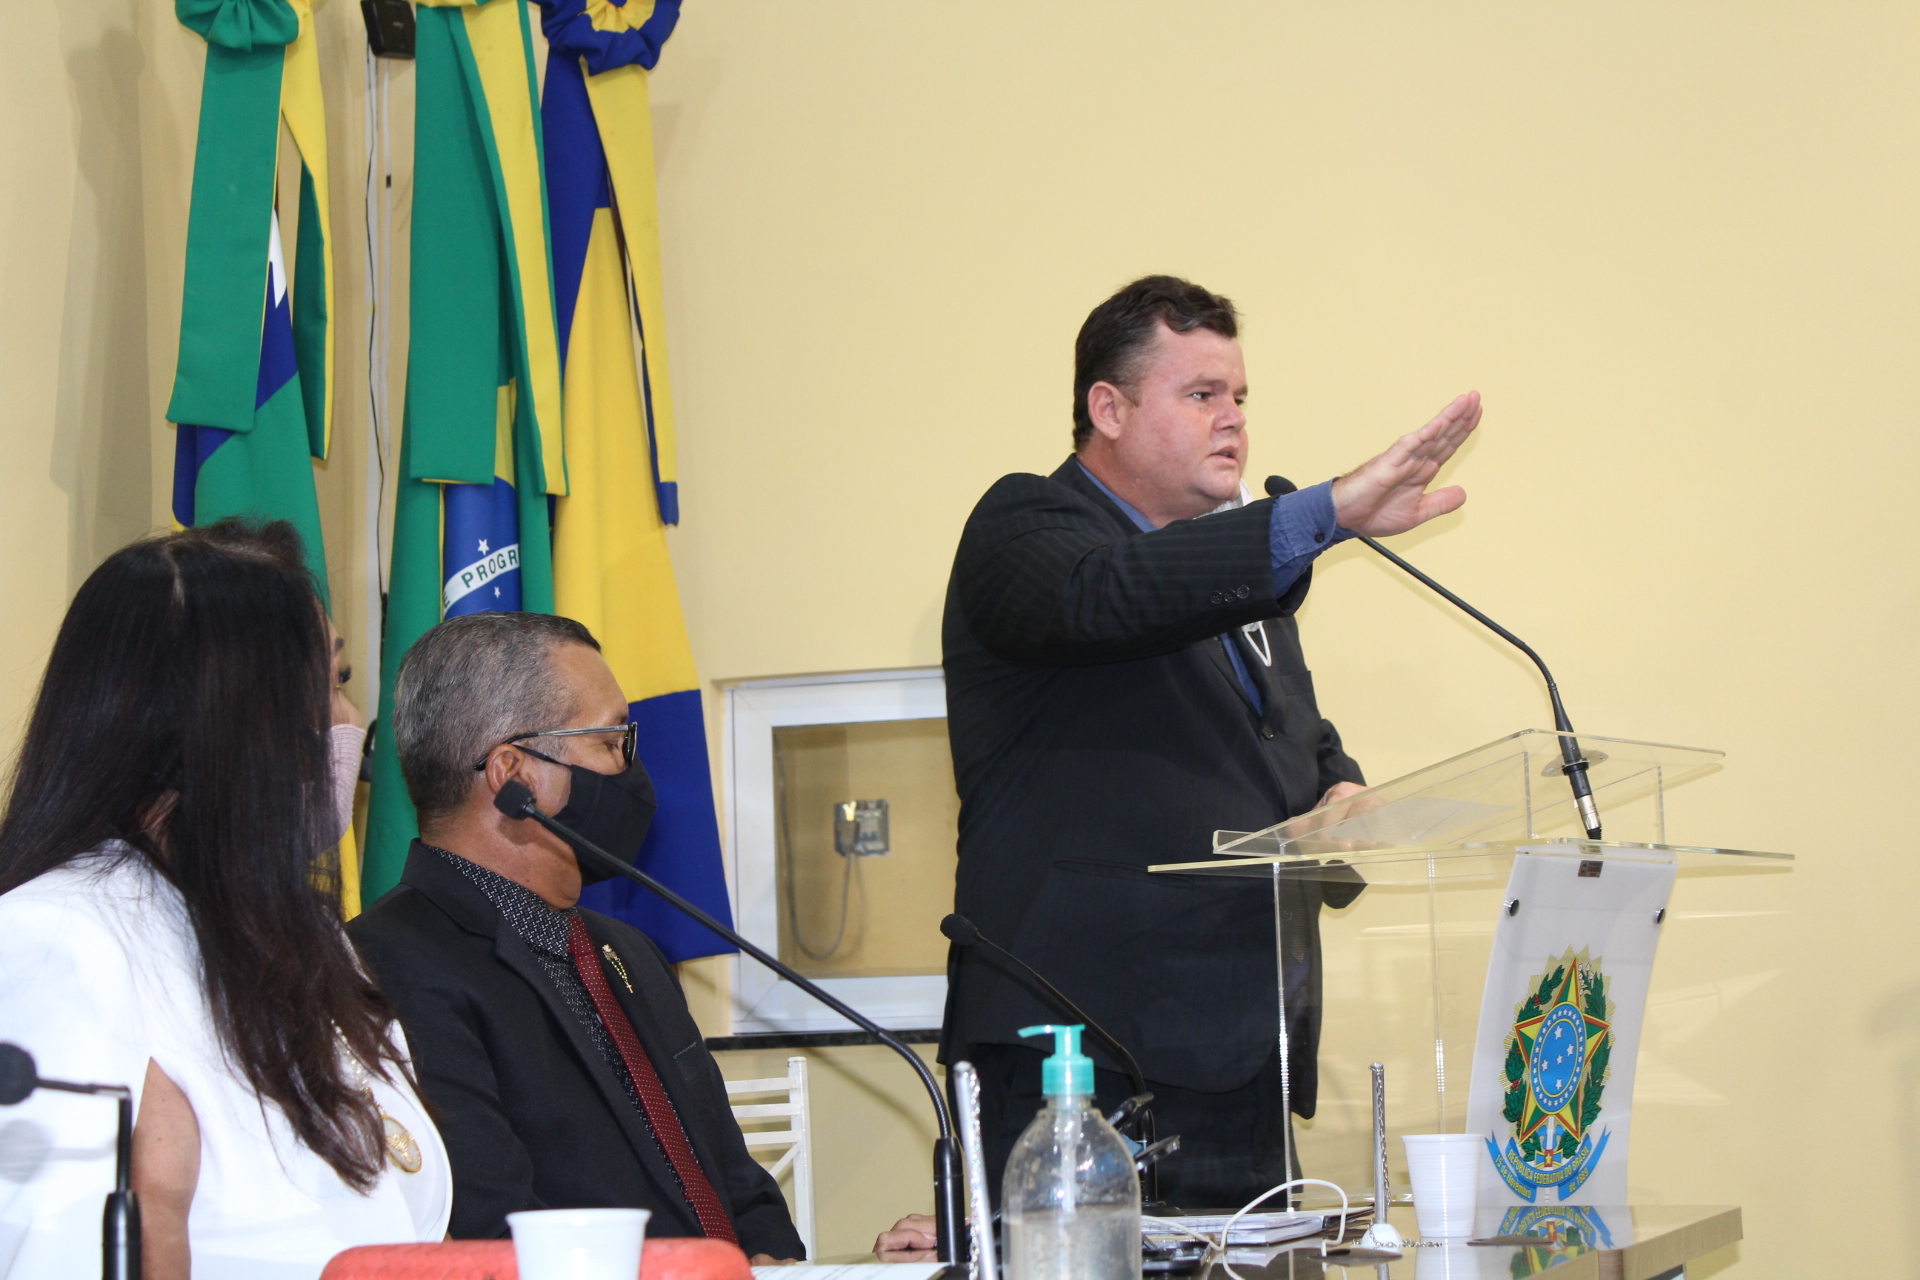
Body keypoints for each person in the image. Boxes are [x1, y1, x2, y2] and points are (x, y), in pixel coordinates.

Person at [940, 275, 1480, 1208]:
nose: (1233, 419)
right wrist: (1325, 514)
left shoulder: (1241, 579)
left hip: (1243, 1056)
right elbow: (1110, 596)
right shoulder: (1025, 527)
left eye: (1239, 397)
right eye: (1201, 394)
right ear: (1108, 409)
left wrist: (1342, 800)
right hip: (1080, 1062)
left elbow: (1300, 744)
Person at [0, 520, 450, 1279]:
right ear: (232, 723)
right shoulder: (56, 942)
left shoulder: (289, 934)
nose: (349, 722)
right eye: (329, 686)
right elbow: (56, 1257)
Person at [348, 612, 807, 1262]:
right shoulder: (388, 963)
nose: (630, 768)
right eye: (612, 741)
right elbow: (493, 1226)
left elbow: (734, 1180)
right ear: (513, 775)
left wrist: (774, 1264)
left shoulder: (629, 951)